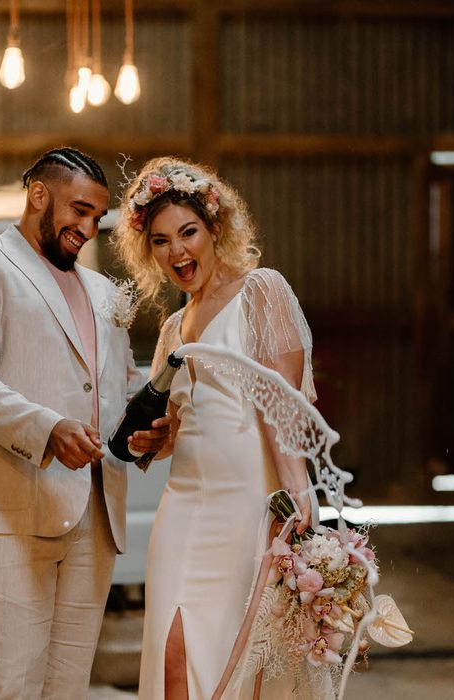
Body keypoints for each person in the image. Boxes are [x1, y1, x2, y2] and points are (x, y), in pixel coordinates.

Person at [0, 147, 170, 699]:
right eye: (79, 210)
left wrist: (147, 427)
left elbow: (115, 388)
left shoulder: (103, 292)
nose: (88, 228)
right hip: (8, 511)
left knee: (67, 689)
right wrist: (47, 428)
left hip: (96, 517)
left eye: (96, 218)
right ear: (39, 193)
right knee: (10, 684)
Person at [114, 157, 323, 699]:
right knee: (172, 653)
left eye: (188, 233)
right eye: (161, 241)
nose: (178, 252)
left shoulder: (261, 293)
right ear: (148, 250)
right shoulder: (171, 329)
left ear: (215, 230)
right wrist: (156, 441)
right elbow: (177, 431)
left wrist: (298, 496)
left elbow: (285, 406)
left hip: (246, 509)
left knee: (235, 657)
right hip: (181, 511)